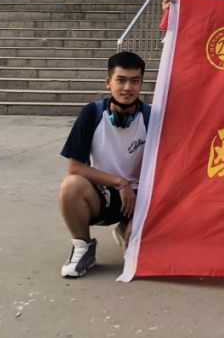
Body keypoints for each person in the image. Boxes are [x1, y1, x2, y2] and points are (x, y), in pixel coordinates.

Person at [58, 51, 150, 278]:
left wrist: (141, 213)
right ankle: (83, 247)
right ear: (108, 82)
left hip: (141, 198)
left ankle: (128, 228)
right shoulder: (92, 113)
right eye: (121, 80)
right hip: (104, 195)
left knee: (139, 260)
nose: (128, 87)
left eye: (135, 81)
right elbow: (75, 167)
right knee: (71, 185)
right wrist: (120, 182)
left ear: (141, 84)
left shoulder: (151, 117)